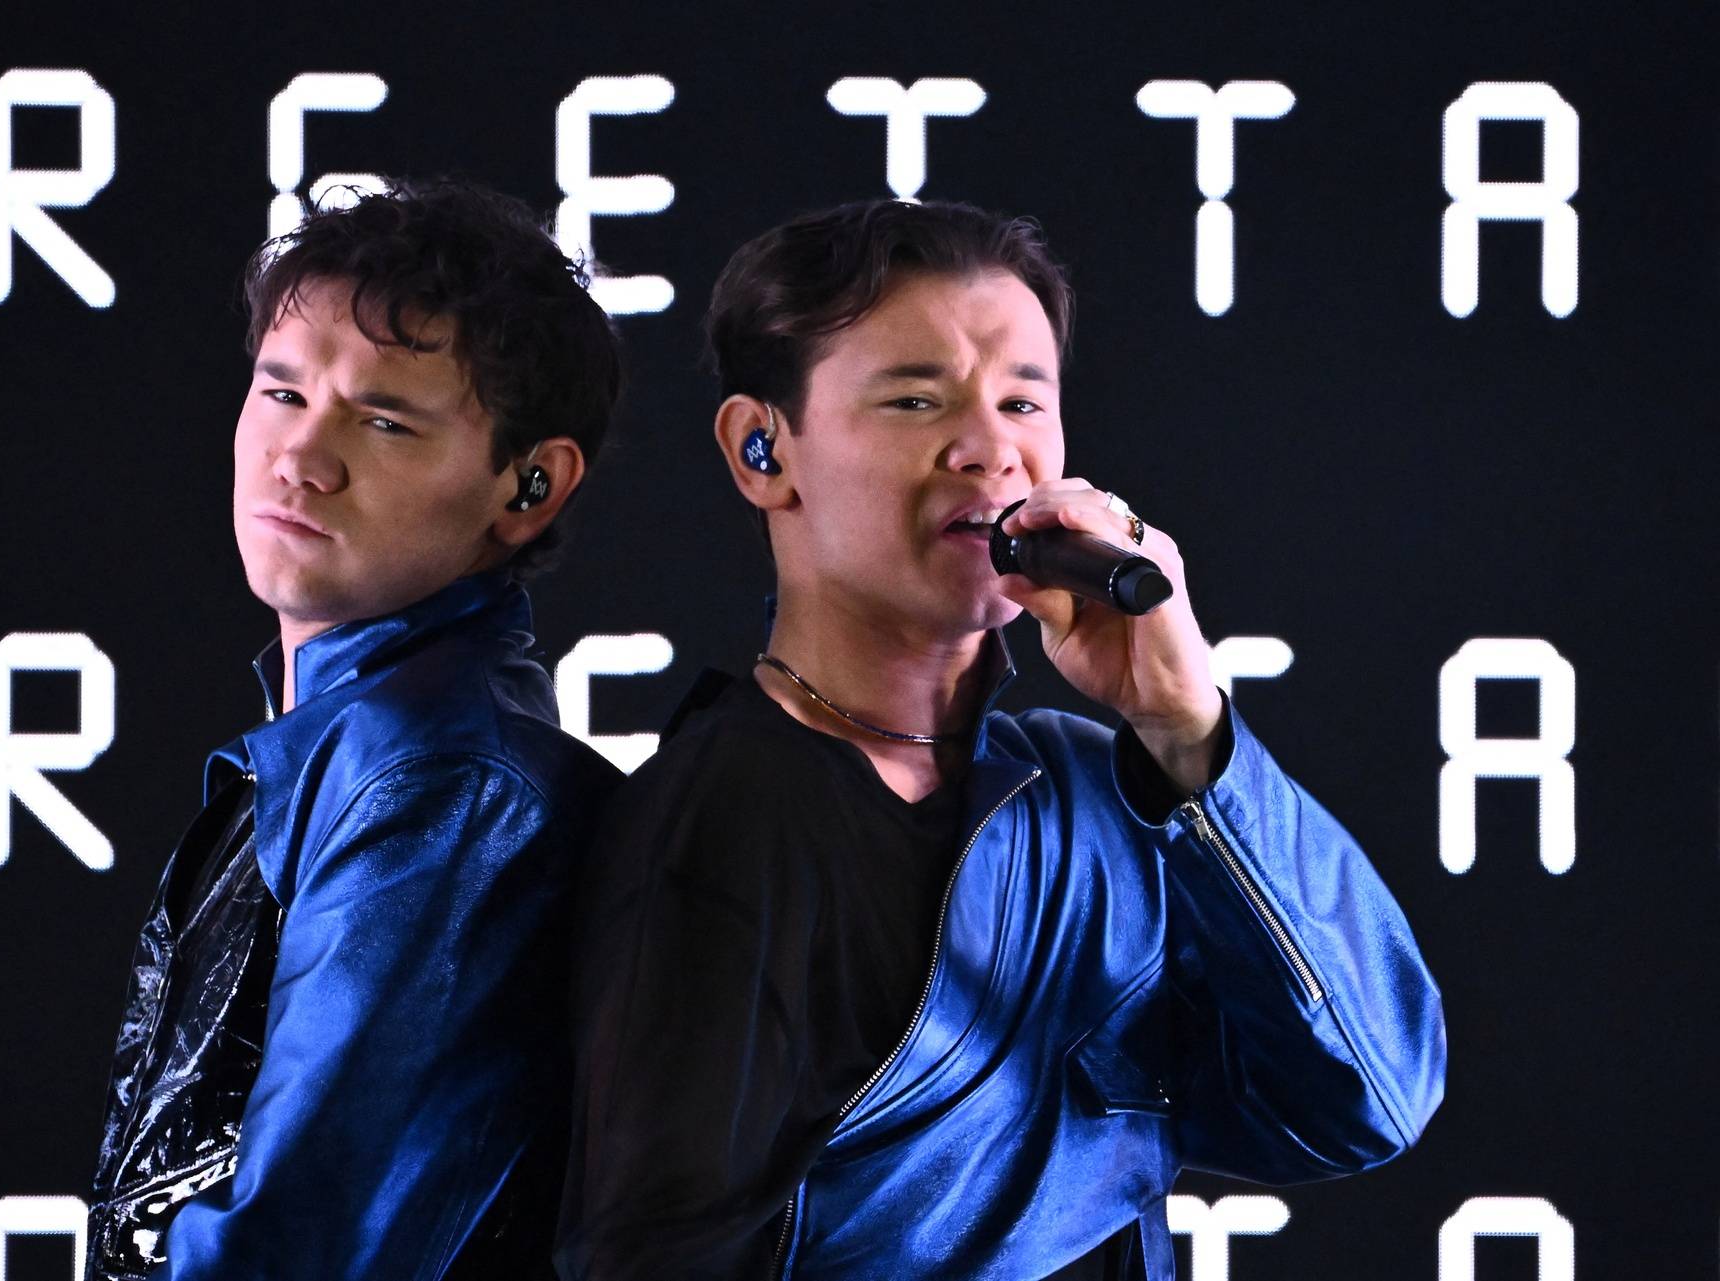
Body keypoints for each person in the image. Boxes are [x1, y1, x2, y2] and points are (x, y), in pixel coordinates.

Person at [556, 199, 1446, 1280]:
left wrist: (1187, 732)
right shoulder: (720, 823)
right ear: (761, 449)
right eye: (915, 399)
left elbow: (1366, 1102)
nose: (991, 450)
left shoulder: (1092, 793)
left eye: (1023, 399)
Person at [85, 178, 623, 1280]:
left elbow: (306, 1252)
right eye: (282, 394)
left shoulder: (440, 781)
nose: (302, 457)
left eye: (384, 421)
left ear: (529, 486)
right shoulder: (365, 740)